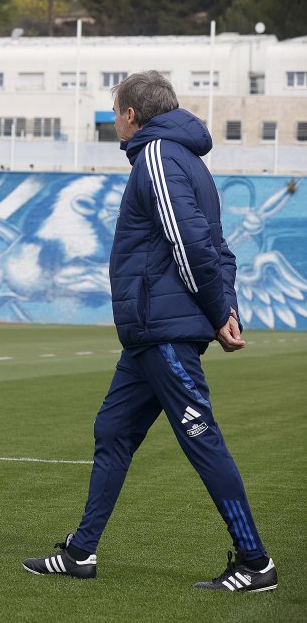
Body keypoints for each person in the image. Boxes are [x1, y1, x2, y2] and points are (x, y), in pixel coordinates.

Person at [23, 71, 277, 592]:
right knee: (112, 431)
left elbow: (193, 246)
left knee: (201, 438)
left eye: (115, 113)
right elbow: (220, 249)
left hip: (164, 331)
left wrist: (215, 312)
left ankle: (256, 562)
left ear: (131, 115)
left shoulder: (158, 156)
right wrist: (225, 307)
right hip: (147, 334)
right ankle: (80, 552)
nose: (115, 122)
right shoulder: (191, 162)